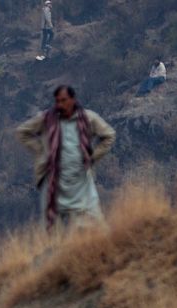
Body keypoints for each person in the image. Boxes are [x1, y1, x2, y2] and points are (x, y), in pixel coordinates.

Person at [16, 85, 116, 230]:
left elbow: (109, 135)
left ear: (72, 100)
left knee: (96, 223)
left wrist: (93, 157)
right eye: (57, 101)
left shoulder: (88, 118)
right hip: (54, 181)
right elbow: (23, 132)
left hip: (81, 180)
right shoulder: (46, 119)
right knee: (51, 228)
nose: (60, 105)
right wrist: (41, 151)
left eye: (64, 100)